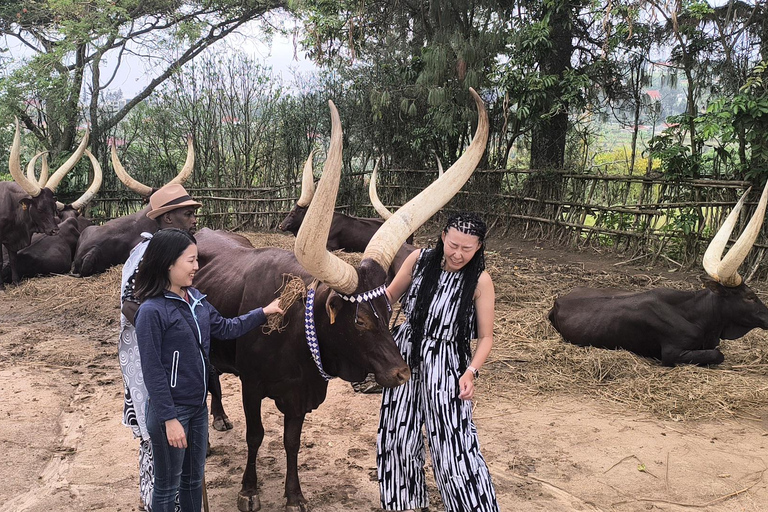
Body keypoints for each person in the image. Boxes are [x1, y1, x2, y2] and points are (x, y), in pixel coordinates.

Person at [134, 229, 283, 512]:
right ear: (168, 263)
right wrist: (169, 419)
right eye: (190, 261)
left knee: (192, 480)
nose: (197, 267)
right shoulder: (151, 311)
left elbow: (227, 328)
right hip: (172, 413)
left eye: (196, 260)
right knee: (167, 487)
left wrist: (263, 312)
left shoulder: (197, 300)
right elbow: (152, 371)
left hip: (198, 408)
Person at [377, 212, 500, 512]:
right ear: (443, 236)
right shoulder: (418, 260)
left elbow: (486, 337)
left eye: (467, 249)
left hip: (447, 363)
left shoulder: (480, 281)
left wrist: (471, 372)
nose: (458, 254)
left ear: (479, 247)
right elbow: (387, 297)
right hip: (406, 353)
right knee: (397, 432)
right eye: (453, 244)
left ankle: (471, 507)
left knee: (453, 442)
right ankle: (403, 503)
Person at [119, 183, 202, 511]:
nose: (193, 219)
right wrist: (166, 329)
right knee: (160, 431)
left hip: (162, 356)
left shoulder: (165, 248)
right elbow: (129, 304)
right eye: (187, 213)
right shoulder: (150, 253)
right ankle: (157, 499)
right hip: (152, 359)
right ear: (167, 218)